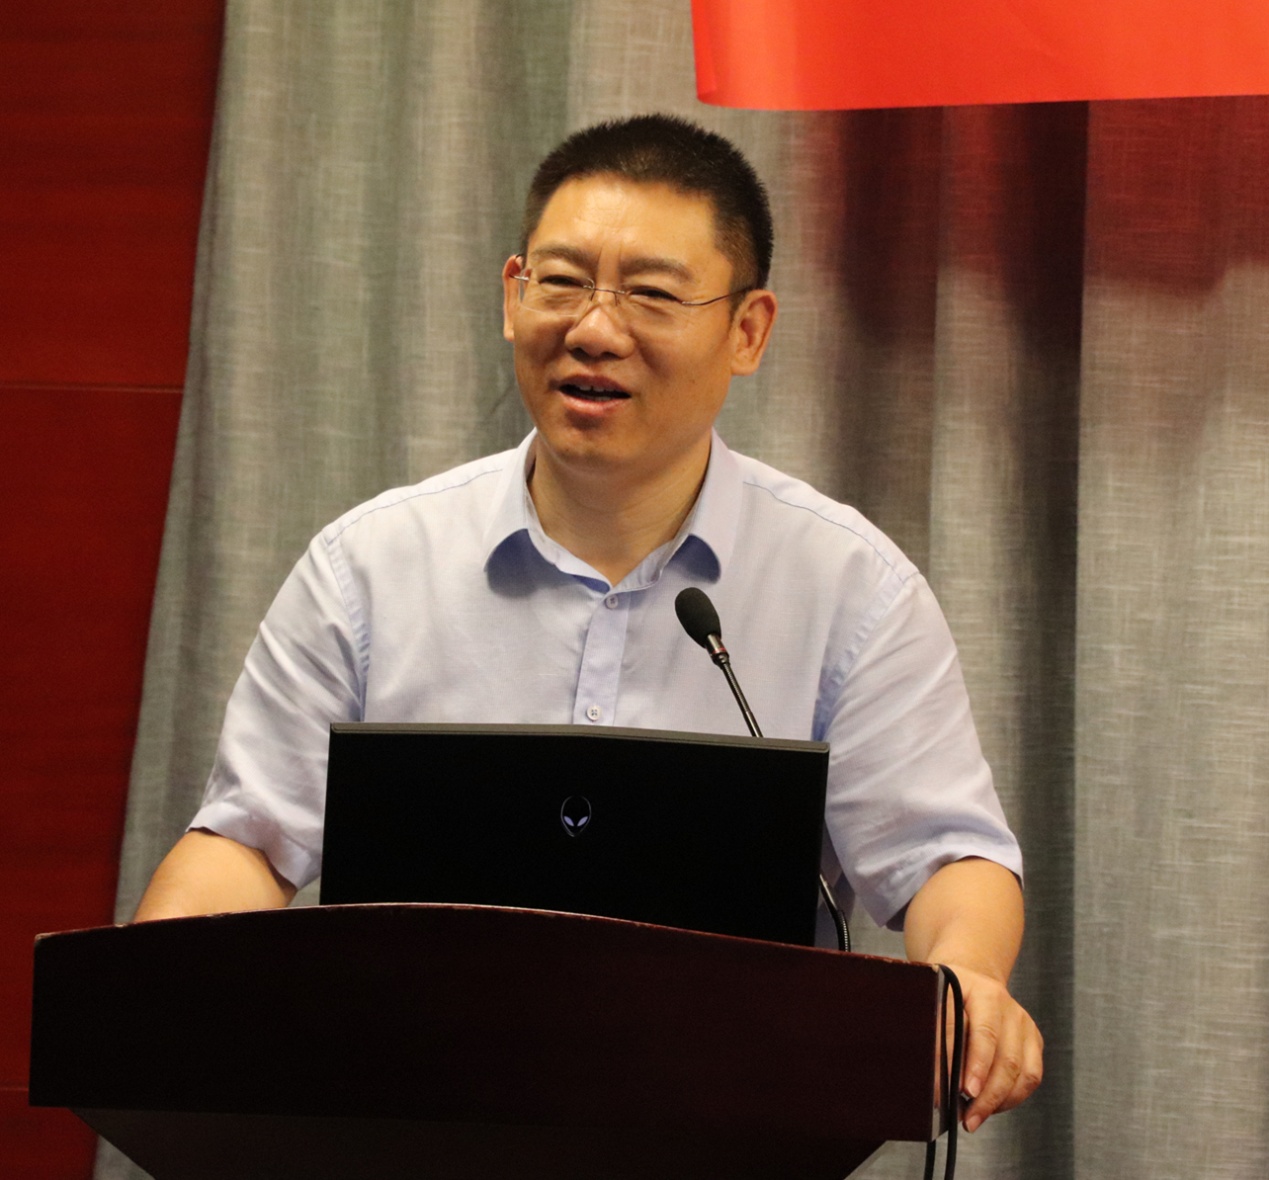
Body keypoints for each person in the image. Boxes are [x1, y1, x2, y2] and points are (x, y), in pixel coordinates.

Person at [135, 114, 1042, 1131]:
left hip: (730, 1130)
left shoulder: (848, 588)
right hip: (408, 1126)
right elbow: (245, 846)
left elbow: (947, 858)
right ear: (511, 294)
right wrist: (144, 988)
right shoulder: (370, 571)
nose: (596, 331)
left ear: (748, 331)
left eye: (651, 294)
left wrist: (967, 979)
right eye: (562, 282)